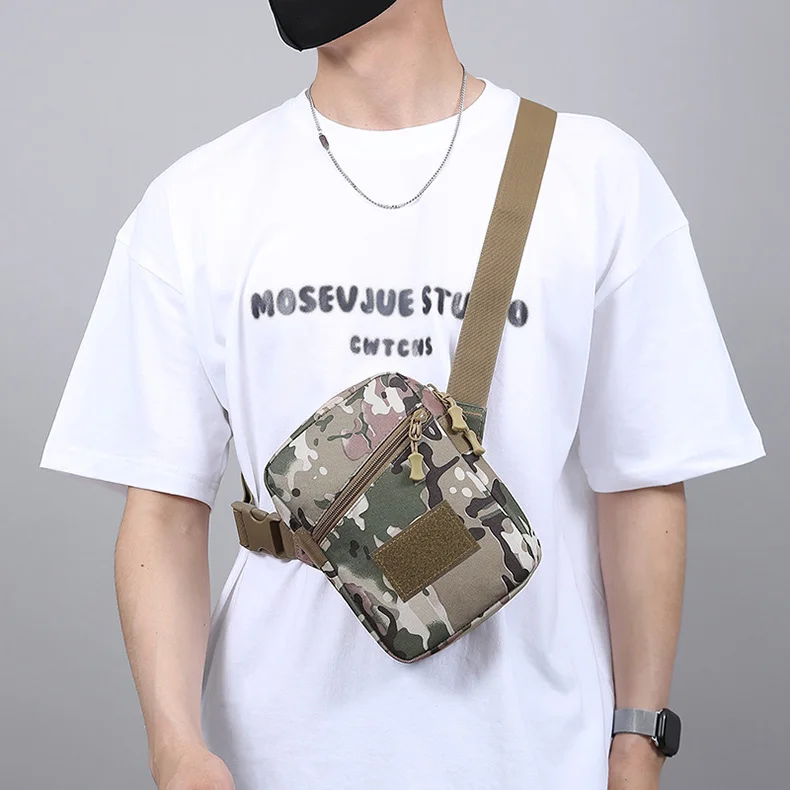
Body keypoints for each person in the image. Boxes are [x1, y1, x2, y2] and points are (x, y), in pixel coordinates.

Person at [40, 1, 765, 788]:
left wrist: (637, 745)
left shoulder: (594, 175)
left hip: (538, 754)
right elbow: (162, 511)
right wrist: (177, 748)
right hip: (269, 758)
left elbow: (642, 482)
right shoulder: (196, 200)